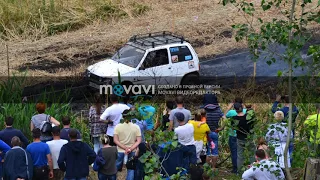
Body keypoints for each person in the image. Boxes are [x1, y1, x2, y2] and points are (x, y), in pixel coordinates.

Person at [114, 109, 142, 180]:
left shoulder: (118, 127)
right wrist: (130, 149)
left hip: (120, 150)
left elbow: (115, 140)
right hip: (132, 150)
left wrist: (124, 148)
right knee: (131, 169)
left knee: (115, 167)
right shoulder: (136, 127)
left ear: (123, 117)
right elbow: (138, 141)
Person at [271, 95, 299, 163]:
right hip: (291, 130)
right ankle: (289, 164)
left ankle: (280, 163)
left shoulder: (282, 110)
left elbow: (273, 110)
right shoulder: (295, 109)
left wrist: (277, 101)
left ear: (284, 101)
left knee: (281, 147)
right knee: (290, 148)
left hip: (282, 130)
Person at [224, 97, 246, 173]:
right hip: (243, 134)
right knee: (242, 152)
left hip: (233, 134)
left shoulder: (231, 112)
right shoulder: (246, 111)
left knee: (234, 152)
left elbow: (224, 115)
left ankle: (235, 169)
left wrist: (229, 107)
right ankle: (242, 168)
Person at [202, 93, 224, 169]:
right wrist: (221, 128)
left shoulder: (203, 109)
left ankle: (207, 167)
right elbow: (225, 119)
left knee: (208, 151)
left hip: (206, 133)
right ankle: (213, 167)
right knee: (215, 151)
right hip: (215, 132)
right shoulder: (218, 110)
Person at [233, 103, 255, 171]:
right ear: (242, 107)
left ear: (235, 109)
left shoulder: (234, 118)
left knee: (240, 156)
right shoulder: (248, 117)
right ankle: (253, 169)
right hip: (249, 137)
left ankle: (239, 171)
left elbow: (233, 128)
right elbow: (252, 126)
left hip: (239, 138)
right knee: (252, 154)